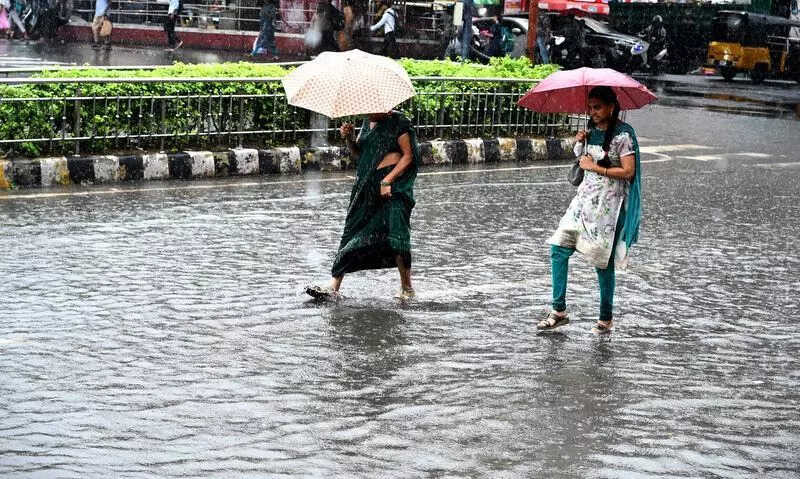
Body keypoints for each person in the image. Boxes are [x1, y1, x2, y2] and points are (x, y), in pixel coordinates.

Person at [537, 86, 642, 334]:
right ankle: (558, 311)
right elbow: (582, 162)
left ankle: (605, 319)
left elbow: (628, 171)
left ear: (611, 107)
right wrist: (580, 142)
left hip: (609, 207)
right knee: (558, 248)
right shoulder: (591, 131)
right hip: (582, 202)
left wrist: (596, 167)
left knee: (602, 262)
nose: (592, 112)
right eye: (590, 107)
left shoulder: (623, 135)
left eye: (597, 107)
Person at [306, 110, 420, 302]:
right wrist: (349, 138)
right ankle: (334, 285)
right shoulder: (367, 124)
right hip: (366, 189)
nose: (368, 114)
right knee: (352, 231)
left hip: (394, 190)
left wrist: (388, 180)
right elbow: (360, 154)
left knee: (396, 233)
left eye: (371, 111)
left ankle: (407, 287)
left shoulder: (399, 121)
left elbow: (408, 156)